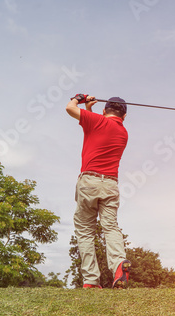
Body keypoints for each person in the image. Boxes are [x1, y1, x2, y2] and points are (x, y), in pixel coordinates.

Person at [66, 94, 131, 289]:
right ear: (124, 116)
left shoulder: (97, 121)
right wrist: (89, 110)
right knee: (110, 226)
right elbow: (92, 127)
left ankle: (91, 280)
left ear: (105, 110)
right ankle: (119, 264)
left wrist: (78, 98)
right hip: (111, 184)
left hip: (89, 181)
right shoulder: (123, 132)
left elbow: (69, 108)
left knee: (85, 230)